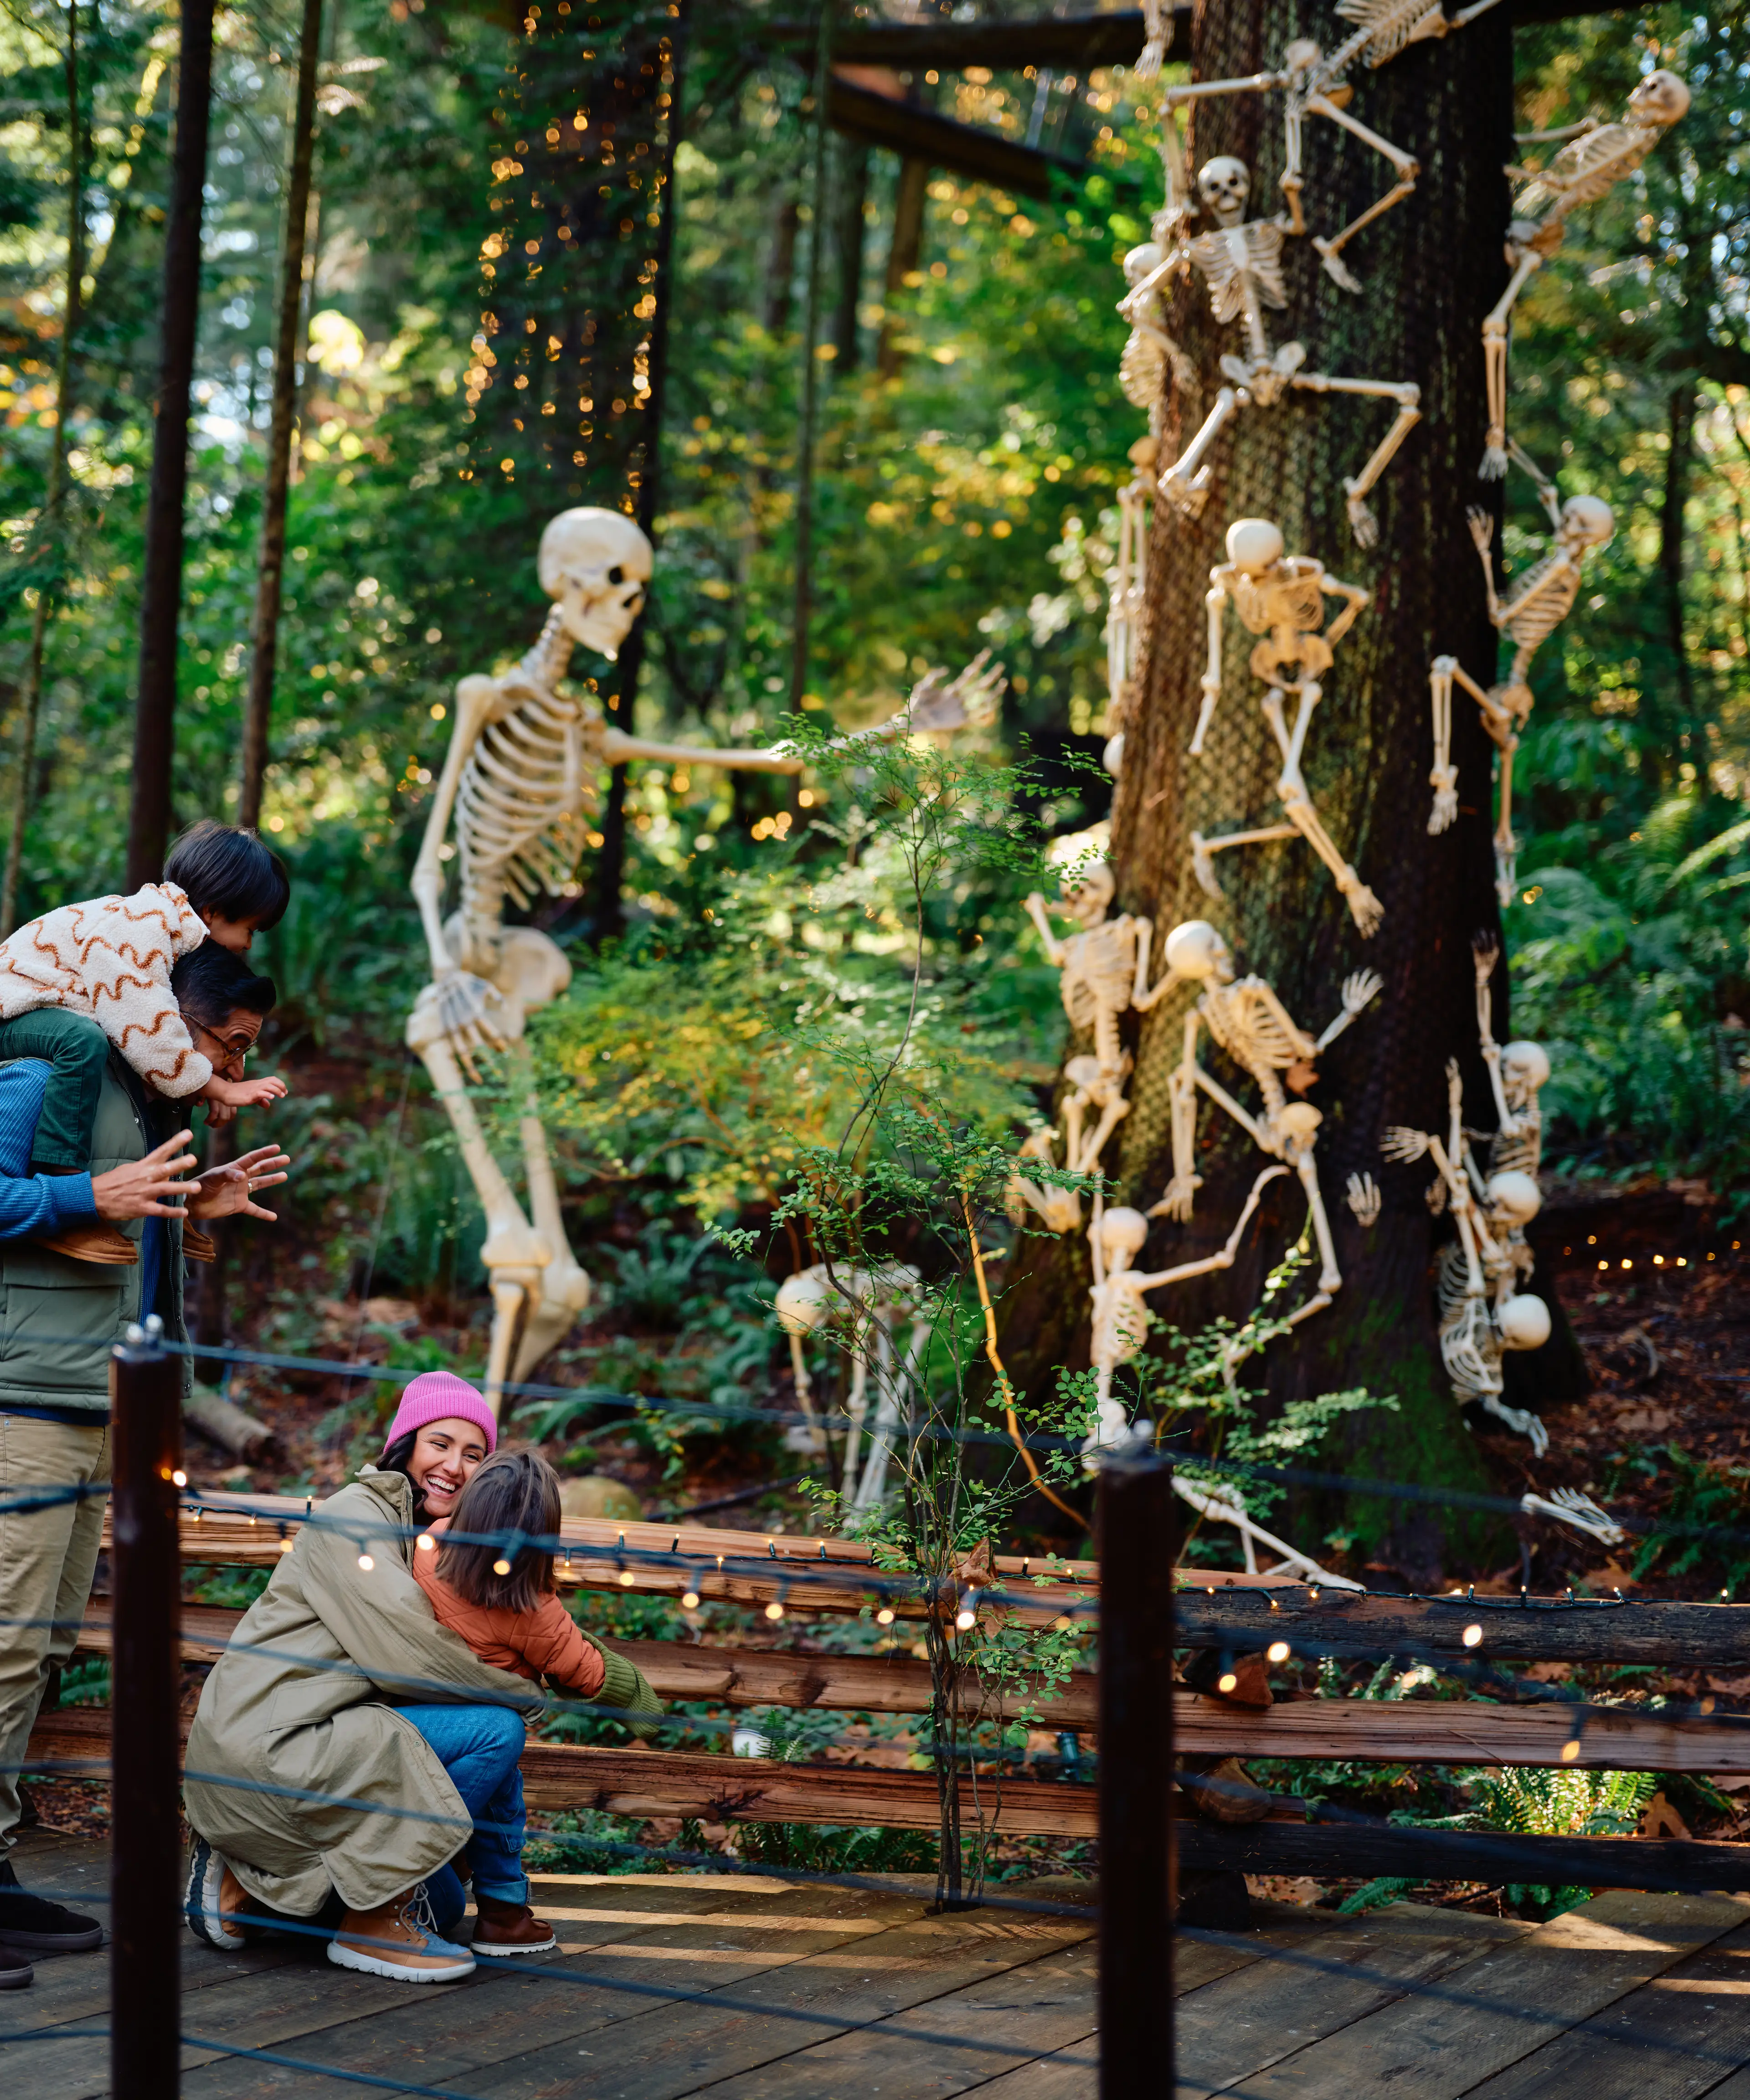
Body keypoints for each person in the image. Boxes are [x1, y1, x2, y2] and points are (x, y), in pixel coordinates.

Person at [0, 941, 292, 1990]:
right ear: (175, 1013)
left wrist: (190, 1206)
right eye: (224, 1043)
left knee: (34, 1649)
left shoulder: (142, 1098)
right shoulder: (45, 1073)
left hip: (100, 1408)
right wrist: (90, 1191)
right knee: (1, 1644)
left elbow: (117, 1235)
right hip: (22, 1400)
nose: (226, 1070)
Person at [183, 1372, 661, 1985]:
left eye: (473, 1455)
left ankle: (252, 1890)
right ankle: (371, 1918)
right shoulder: (357, 1517)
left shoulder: (431, 1541)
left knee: (441, 1903)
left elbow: (521, 1622)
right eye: (440, 1444)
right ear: (405, 1443)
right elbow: (409, 1655)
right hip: (275, 1741)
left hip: (325, 1737)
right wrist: (526, 1694)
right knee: (496, 1730)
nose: (454, 1467)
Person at [408, 1446, 658, 1956]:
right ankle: (501, 1911)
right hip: (476, 1736)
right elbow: (584, 1670)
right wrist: (642, 1702)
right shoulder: (531, 1609)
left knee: (498, 1763)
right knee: (504, 1786)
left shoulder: (425, 1551)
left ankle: (480, 1892)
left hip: (413, 1719)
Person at [0, 823, 291, 1199]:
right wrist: (216, 1085)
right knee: (82, 1039)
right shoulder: (144, 924)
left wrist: (220, 1077)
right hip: (12, 1011)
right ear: (213, 911)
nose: (248, 945)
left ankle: (174, 1210)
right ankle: (68, 1182)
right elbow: (149, 1028)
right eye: (251, 930)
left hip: (40, 1012)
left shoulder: (168, 933)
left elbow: (186, 1025)